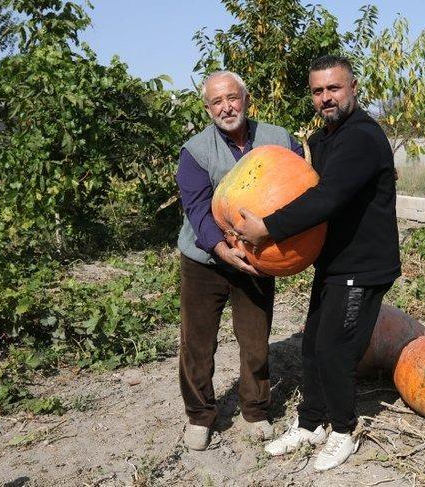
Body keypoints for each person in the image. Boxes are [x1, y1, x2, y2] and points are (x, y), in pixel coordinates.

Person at [234, 55, 401, 471]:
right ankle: (310, 424)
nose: (326, 97)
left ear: (354, 87)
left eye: (334, 88)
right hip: (335, 263)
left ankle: (344, 431)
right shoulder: (327, 137)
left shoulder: (360, 136)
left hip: (362, 267)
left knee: (335, 351)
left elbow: (326, 198)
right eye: (318, 91)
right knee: (312, 345)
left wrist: (268, 228)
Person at [176, 70, 304, 451]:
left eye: (232, 98)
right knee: (197, 342)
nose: (226, 107)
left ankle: (255, 410)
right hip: (205, 260)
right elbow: (197, 209)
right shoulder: (195, 151)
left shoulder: (279, 140)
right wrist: (220, 247)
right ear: (207, 108)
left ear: (246, 99)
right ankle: (200, 416)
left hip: (257, 260)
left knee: (255, 339)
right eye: (217, 101)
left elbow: (302, 189)